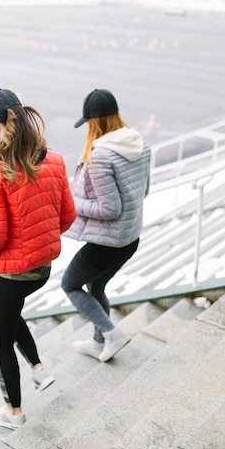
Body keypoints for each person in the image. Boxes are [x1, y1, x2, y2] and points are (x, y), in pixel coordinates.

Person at [0, 88, 76, 429]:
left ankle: (13, 413)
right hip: (41, 268)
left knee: (0, 340)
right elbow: (67, 217)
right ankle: (40, 370)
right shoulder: (53, 159)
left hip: (12, 273)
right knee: (8, 316)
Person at [61, 88, 151, 362]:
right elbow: (143, 191)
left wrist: (75, 203)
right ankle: (99, 341)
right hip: (129, 238)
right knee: (96, 288)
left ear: (94, 122)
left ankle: (111, 335)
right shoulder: (140, 144)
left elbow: (110, 209)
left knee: (70, 285)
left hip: (107, 244)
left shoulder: (100, 155)